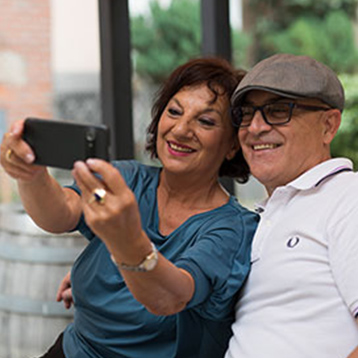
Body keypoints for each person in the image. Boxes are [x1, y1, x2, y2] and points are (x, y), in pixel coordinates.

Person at [0, 58, 258, 358]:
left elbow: (168, 298)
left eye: (206, 121)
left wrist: (126, 239)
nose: (181, 129)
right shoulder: (128, 178)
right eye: (174, 112)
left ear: (231, 146)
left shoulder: (231, 228)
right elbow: (60, 214)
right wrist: (30, 174)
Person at [224, 53, 358, 358]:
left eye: (278, 110)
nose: (255, 127)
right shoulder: (255, 218)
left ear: (328, 125)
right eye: (246, 113)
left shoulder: (348, 197)